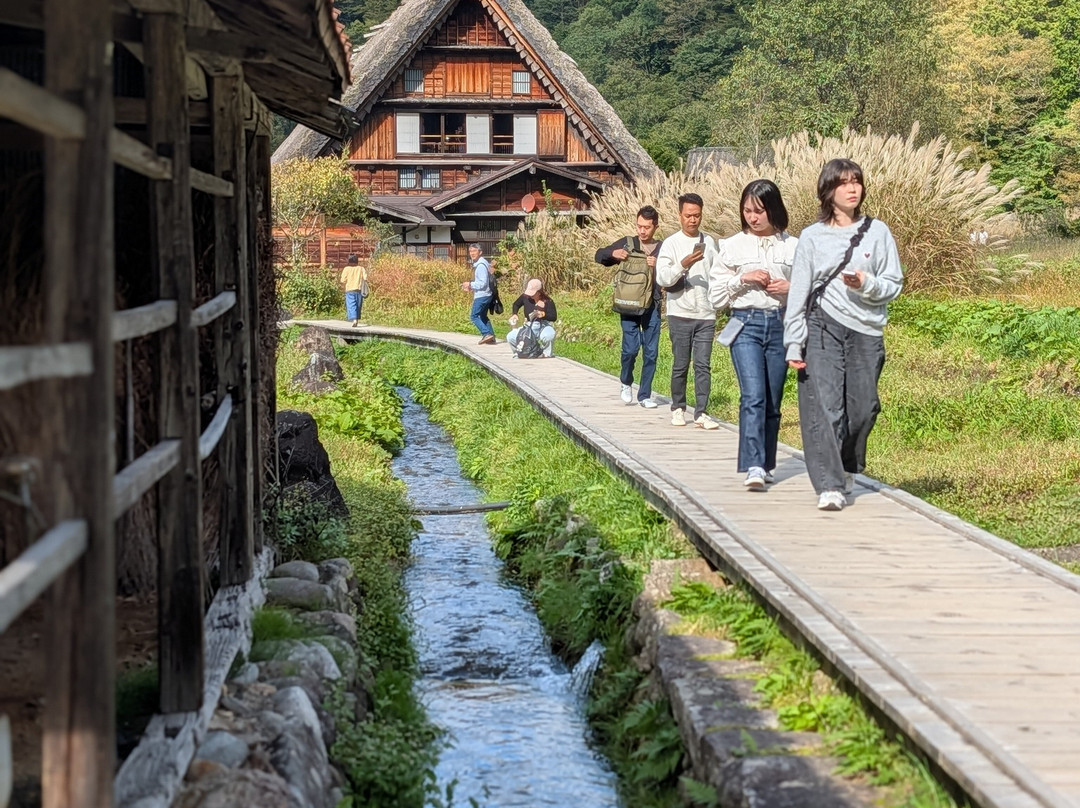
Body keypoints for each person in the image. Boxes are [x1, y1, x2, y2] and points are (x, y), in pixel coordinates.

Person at [783, 158, 904, 511]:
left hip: (866, 330)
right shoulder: (811, 237)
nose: (852, 189)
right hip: (823, 327)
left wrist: (867, 284)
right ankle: (830, 484)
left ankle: (848, 464)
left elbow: (894, 284)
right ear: (828, 190)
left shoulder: (878, 232)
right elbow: (799, 292)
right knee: (827, 408)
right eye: (844, 183)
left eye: (857, 182)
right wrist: (794, 340)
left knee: (864, 409)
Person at [710, 180, 798, 490]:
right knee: (753, 396)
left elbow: (812, 291)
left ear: (774, 209)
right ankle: (754, 466)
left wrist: (791, 288)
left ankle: (767, 462)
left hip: (781, 325)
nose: (752, 217)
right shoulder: (731, 245)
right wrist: (742, 278)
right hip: (743, 325)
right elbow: (716, 297)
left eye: (759, 211)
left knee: (773, 401)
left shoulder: (794, 246)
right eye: (747, 211)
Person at [655, 193, 720, 429]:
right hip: (679, 312)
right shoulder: (671, 243)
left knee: (703, 364)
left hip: (705, 313)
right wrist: (684, 263)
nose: (693, 220)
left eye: (697, 215)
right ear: (680, 215)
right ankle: (678, 408)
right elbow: (662, 277)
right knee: (681, 363)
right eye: (688, 216)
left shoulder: (710, 242)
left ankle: (701, 412)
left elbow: (718, 273)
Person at [595, 205, 662, 408]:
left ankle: (644, 395)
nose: (642, 231)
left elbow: (674, 272)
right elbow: (599, 255)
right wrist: (614, 254)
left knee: (651, 352)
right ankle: (626, 382)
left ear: (655, 227)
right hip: (628, 304)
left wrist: (657, 264)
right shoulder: (628, 243)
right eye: (639, 226)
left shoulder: (663, 247)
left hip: (653, 304)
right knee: (631, 349)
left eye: (647, 227)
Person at [507, 278, 558, 357]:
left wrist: (543, 314)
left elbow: (553, 317)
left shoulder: (548, 301)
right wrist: (515, 314)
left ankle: (546, 354)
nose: (530, 295)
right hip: (528, 325)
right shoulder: (525, 297)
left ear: (539, 292)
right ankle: (519, 352)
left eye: (533, 293)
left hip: (543, 325)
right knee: (511, 337)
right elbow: (516, 304)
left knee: (549, 335)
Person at [461, 242, 495, 344]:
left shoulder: (480, 265)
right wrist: (471, 286)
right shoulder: (484, 263)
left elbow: (482, 283)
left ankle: (486, 334)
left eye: (474, 251)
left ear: (480, 252)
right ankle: (491, 338)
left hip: (482, 295)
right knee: (483, 316)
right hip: (487, 294)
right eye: (470, 251)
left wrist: (470, 284)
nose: (472, 253)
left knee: (474, 316)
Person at [340, 254, 368, 328]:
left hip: (350, 290)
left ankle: (354, 320)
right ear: (357, 260)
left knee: (351, 305)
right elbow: (365, 278)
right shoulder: (361, 268)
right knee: (358, 305)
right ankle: (357, 319)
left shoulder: (346, 269)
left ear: (349, 260)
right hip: (359, 290)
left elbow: (342, 280)